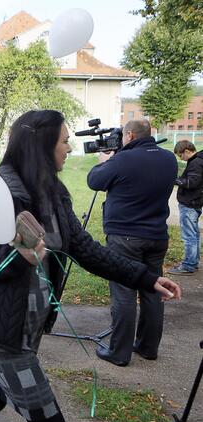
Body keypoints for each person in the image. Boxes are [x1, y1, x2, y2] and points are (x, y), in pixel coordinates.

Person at [0, 110, 181, 422]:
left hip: (27, 330)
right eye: (64, 140)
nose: (70, 148)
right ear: (42, 146)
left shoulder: (53, 193)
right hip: (2, 332)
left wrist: (145, 277)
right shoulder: (1, 193)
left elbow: (85, 248)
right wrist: (14, 259)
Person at [87, 119, 178, 366]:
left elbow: (94, 181)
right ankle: (148, 347)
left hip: (125, 235)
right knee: (153, 290)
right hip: (157, 235)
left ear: (129, 135)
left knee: (123, 292)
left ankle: (119, 352)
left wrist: (105, 161)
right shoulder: (168, 158)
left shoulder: (123, 159)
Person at [168, 140, 203, 275]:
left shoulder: (196, 163)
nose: (180, 159)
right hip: (194, 202)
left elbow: (192, 183)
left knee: (189, 236)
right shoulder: (197, 161)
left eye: (180, 156)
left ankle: (188, 265)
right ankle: (193, 261)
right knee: (194, 234)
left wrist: (175, 179)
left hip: (190, 203)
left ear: (187, 151)